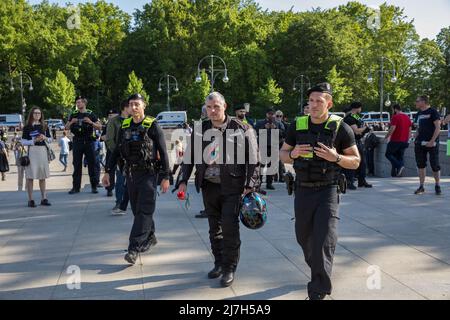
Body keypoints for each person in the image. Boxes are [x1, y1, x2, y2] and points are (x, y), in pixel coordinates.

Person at [280, 82, 360, 300]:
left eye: (319, 101)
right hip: (302, 190)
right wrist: (294, 153)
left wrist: (336, 158)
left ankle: (318, 290)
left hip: (328, 190)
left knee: (323, 240)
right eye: (311, 101)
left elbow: (356, 161)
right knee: (303, 237)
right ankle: (318, 268)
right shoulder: (297, 125)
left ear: (329, 103)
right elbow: (283, 155)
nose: (314, 105)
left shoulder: (341, 127)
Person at [176, 92, 259, 287]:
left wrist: (250, 186)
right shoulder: (199, 129)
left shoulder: (242, 128)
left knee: (230, 228)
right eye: (209, 107)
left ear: (225, 106)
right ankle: (219, 263)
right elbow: (189, 157)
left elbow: (254, 161)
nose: (212, 111)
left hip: (233, 186)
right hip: (209, 186)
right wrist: (182, 181)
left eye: (216, 107)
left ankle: (230, 267)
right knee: (215, 229)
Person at [103, 93, 170, 264]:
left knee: (144, 210)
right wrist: (108, 171)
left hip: (149, 174)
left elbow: (163, 152)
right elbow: (116, 151)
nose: (133, 108)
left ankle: (133, 248)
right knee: (136, 210)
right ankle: (151, 236)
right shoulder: (125, 125)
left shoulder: (153, 125)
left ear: (144, 105)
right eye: (131, 104)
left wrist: (165, 176)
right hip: (131, 175)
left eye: (137, 104)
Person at [66, 96, 103, 194]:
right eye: (77, 103)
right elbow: (66, 127)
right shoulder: (73, 114)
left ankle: (94, 186)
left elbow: (99, 127)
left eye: (79, 102)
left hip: (89, 141)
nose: (78, 104)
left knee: (92, 164)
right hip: (77, 141)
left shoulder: (90, 114)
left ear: (84, 103)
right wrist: (71, 122)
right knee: (76, 164)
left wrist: (91, 122)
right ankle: (75, 187)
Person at [21, 106, 52, 207]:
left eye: (39, 113)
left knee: (42, 176)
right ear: (31, 114)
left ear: (41, 115)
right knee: (30, 176)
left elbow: (51, 139)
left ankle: (44, 198)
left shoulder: (44, 126)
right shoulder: (27, 127)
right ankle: (31, 200)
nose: (37, 115)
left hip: (42, 151)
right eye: (35, 113)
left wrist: (45, 137)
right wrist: (33, 141)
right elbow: (23, 141)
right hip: (32, 152)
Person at [413, 95, 442, 195]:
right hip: (420, 143)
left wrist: (432, 141)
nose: (416, 103)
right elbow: (418, 128)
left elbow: (438, 128)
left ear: (424, 102)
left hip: (432, 143)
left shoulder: (433, 112)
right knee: (420, 165)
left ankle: (437, 185)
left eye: (417, 101)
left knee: (435, 164)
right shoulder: (418, 113)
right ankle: (421, 186)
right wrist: (414, 137)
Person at [105, 102, 130, 214]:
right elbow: (109, 139)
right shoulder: (114, 121)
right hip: (119, 156)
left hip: (134, 156)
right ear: (125, 108)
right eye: (131, 105)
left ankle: (132, 202)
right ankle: (119, 202)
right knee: (120, 180)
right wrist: (118, 152)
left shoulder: (134, 120)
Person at [343, 102, 372, 189]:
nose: (361, 110)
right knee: (352, 162)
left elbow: (360, 128)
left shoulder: (356, 117)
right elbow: (356, 131)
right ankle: (349, 182)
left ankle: (362, 181)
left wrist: (364, 129)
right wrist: (366, 129)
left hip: (358, 141)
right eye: (360, 108)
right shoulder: (350, 118)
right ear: (357, 108)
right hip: (351, 143)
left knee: (362, 163)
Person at [254, 107, 284, 190]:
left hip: (273, 147)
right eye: (269, 114)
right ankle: (258, 183)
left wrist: (275, 128)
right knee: (261, 166)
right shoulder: (260, 122)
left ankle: (269, 183)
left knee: (271, 166)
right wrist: (264, 128)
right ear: (266, 114)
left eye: (272, 114)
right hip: (263, 147)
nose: (271, 115)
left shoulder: (278, 123)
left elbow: (283, 134)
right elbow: (254, 132)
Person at [384, 104, 412, 177]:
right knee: (399, 157)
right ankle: (396, 174)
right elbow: (410, 130)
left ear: (395, 109)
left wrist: (386, 136)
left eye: (393, 110)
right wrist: (408, 140)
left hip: (395, 140)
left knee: (388, 154)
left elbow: (392, 128)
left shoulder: (395, 117)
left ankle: (399, 166)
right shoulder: (407, 117)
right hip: (404, 141)